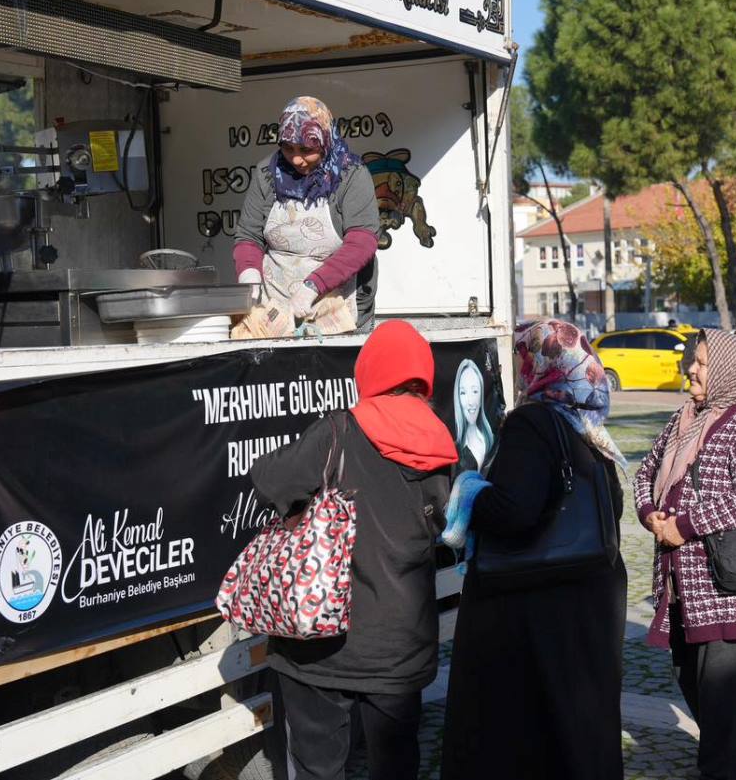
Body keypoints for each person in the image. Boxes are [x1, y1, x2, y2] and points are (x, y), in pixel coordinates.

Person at [248, 320, 457, 780]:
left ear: (369, 370)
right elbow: (445, 523)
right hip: (400, 646)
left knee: (317, 769)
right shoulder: (442, 442)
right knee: (396, 767)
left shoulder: (339, 430)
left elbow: (269, 480)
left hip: (321, 645)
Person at [440, 320, 628, 780]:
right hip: (583, 609)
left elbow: (514, 510)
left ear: (539, 363)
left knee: (523, 740)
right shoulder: (585, 422)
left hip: (533, 617)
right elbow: (613, 506)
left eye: (522, 357)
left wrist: (470, 490)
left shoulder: (533, 422)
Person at [633, 330, 736, 780]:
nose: (692, 370)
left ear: (724, 369)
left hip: (729, 588)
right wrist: (650, 513)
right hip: (683, 587)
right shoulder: (683, 419)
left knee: (724, 696)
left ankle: (721, 770)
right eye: (693, 361)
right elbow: (645, 472)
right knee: (691, 678)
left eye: (701, 362)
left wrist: (684, 525)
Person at [235, 96, 381, 335]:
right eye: (287, 148)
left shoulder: (352, 175)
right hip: (276, 306)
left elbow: (362, 242)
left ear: (325, 141)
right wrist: (249, 274)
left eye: (306, 150)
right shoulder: (266, 174)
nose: (296, 159)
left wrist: (313, 286)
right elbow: (248, 236)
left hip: (336, 306)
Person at [452, 359, 495, 473]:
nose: (470, 402)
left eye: (475, 391)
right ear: (458, 398)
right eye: (463, 393)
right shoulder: (454, 449)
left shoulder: (491, 440)